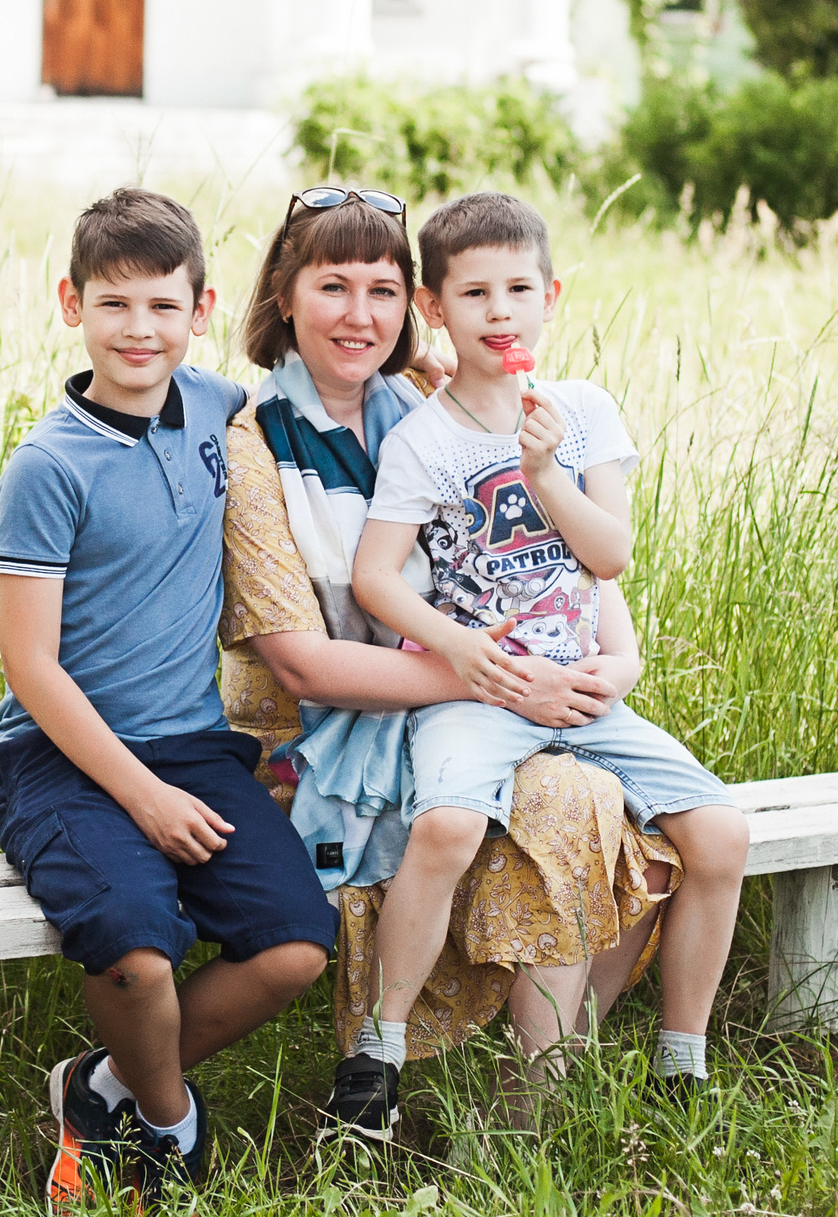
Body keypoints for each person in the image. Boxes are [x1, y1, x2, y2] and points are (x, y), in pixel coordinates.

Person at [214, 185, 679, 1141]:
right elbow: (301, 664)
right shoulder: (256, 444)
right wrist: (501, 679)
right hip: (323, 726)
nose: (360, 314)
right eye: (333, 286)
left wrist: (615, 656)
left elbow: (559, 564)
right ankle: (371, 1072)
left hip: (485, 695)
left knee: (578, 800)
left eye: (382, 290)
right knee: (527, 799)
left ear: (413, 305)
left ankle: (539, 1103)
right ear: (284, 294)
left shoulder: (434, 399)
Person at [339, 190, 749, 1137]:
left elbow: (609, 555)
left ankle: (681, 1060)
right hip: (482, 693)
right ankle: (381, 1051)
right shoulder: (424, 441)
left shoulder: (582, 412)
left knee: (721, 835)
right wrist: (459, 648)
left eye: (519, 288)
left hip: (583, 690)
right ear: (435, 309)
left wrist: (546, 476)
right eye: (474, 293)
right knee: (443, 826)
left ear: (551, 295)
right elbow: (376, 578)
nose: (500, 311)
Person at [0, 187, 336, 1206]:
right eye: (114, 304)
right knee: (138, 955)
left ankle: (99, 1086)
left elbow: (315, 386)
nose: (139, 329)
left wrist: (436, 374)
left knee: (292, 950)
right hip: (66, 758)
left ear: (200, 307)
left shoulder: (214, 410)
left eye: (162, 307)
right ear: (71, 303)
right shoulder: (48, 465)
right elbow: (31, 667)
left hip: (194, 745)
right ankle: (171, 1128)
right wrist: (139, 795)